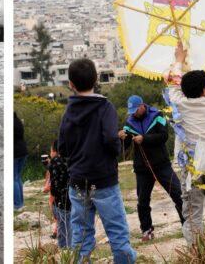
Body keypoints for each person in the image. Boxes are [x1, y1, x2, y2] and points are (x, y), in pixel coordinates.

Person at [58, 58, 136, 263]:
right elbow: (110, 139)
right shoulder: (105, 107)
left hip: (77, 182)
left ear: (70, 84)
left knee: (81, 238)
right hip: (104, 180)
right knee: (118, 235)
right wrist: (116, 150)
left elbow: (63, 147)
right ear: (96, 78)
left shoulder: (68, 112)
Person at [164, 42, 205, 245]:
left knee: (193, 213)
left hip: (192, 165)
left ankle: (197, 251)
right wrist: (186, 62)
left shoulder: (179, 104)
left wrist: (179, 60)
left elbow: (172, 82)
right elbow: (178, 85)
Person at [119, 95, 184, 242]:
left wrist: (144, 138)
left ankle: (186, 223)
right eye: (131, 111)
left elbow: (163, 136)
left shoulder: (158, 115)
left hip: (162, 164)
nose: (134, 113)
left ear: (142, 106)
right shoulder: (129, 123)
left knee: (177, 193)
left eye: (135, 110)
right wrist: (122, 138)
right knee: (142, 200)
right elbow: (126, 146)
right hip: (142, 168)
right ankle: (146, 229)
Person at [48, 140, 72, 248]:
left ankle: (64, 248)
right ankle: (69, 247)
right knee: (69, 223)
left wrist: (53, 198)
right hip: (71, 197)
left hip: (60, 200)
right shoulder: (70, 159)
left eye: (50, 150)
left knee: (63, 224)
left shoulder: (55, 161)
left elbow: (54, 183)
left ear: (54, 151)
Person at [14, 112, 28, 212]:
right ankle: (20, 202)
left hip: (15, 153)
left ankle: (17, 204)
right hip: (23, 151)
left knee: (13, 178)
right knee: (17, 177)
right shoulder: (18, 120)